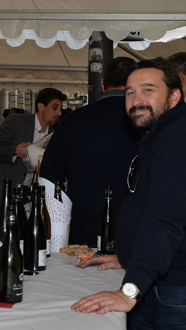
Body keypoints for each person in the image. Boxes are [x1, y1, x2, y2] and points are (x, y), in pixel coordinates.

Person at [72, 58, 186, 330]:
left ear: (174, 96)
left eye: (148, 90)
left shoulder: (180, 139)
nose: (136, 100)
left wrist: (130, 290)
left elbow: (165, 220)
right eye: (129, 92)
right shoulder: (163, 135)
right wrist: (127, 257)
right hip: (162, 285)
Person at [40, 57, 140, 247]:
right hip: (135, 231)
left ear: (103, 84)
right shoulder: (144, 122)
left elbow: (49, 179)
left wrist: (57, 236)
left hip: (82, 230)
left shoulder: (72, 121)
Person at [0, 88, 66, 212]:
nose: (59, 113)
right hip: (2, 192)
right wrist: (14, 151)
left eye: (60, 108)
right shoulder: (16, 121)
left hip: (26, 197)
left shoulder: (53, 135)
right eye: (55, 107)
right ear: (41, 106)